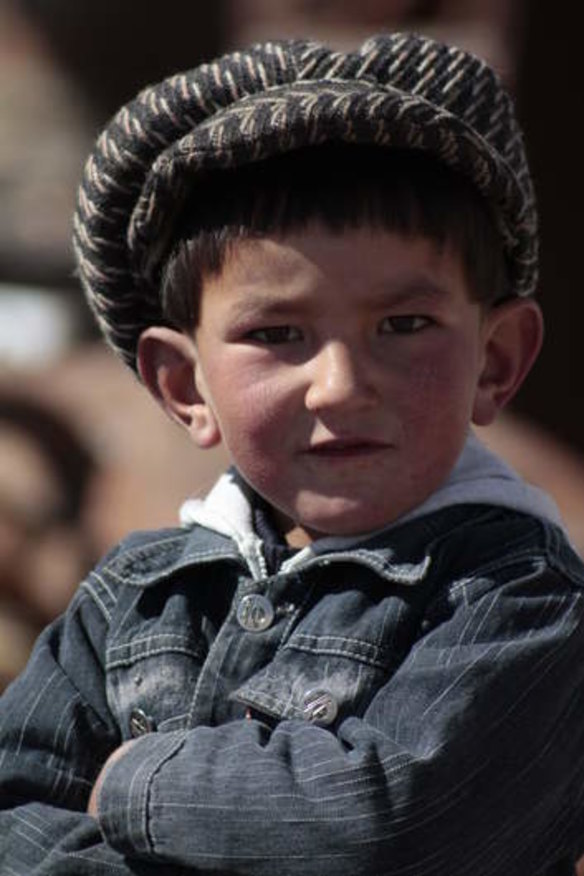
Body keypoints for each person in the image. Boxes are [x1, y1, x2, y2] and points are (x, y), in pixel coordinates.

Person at [1, 30, 584, 876]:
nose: (341, 385)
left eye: (404, 326)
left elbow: (389, 823)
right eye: (277, 334)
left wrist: (138, 786)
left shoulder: (518, 605)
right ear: (184, 387)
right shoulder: (134, 600)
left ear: (494, 362)